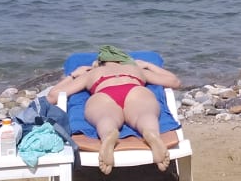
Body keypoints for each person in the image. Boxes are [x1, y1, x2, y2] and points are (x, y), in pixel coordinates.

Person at [45, 45, 181, 174]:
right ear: (123, 61)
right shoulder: (135, 70)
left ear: (99, 63)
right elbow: (174, 81)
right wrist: (148, 65)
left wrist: (74, 75)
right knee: (144, 114)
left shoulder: (91, 73)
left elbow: (53, 96)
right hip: (134, 89)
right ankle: (151, 133)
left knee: (105, 117)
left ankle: (108, 135)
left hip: (104, 92)